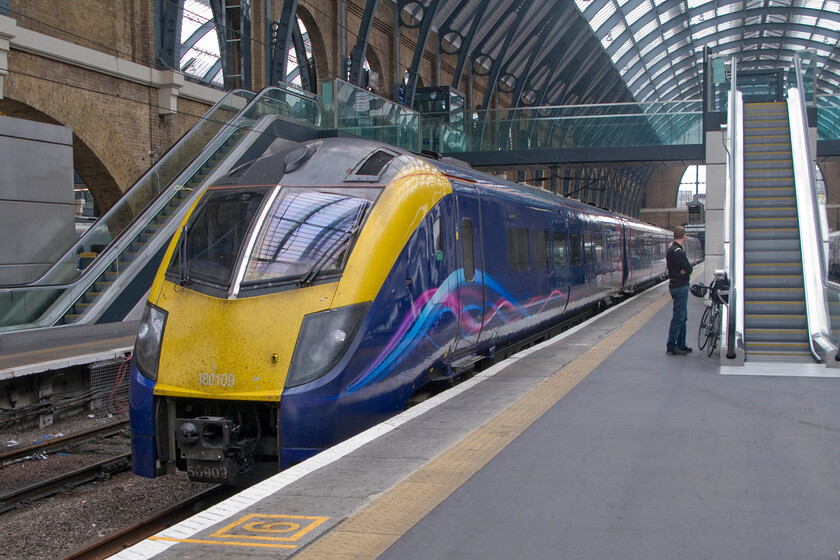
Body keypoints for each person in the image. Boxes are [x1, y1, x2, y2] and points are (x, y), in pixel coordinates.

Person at [666, 226, 693, 355]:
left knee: (683, 316)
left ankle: (681, 344)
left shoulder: (671, 250)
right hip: (681, 286)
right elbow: (689, 269)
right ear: (684, 236)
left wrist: (683, 270)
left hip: (674, 285)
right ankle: (672, 345)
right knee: (679, 317)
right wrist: (685, 271)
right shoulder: (679, 252)